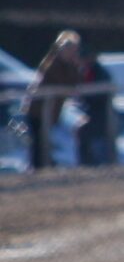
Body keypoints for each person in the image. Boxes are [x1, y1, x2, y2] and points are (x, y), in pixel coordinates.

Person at [30, 30, 91, 170]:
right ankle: (39, 168)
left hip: (51, 110)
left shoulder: (67, 65)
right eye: (72, 50)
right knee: (39, 142)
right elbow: (66, 84)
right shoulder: (54, 64)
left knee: (45, 140)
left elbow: (76, 83)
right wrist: (74, 66)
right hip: (39, 110)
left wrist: (75, 66)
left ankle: (44, 166)